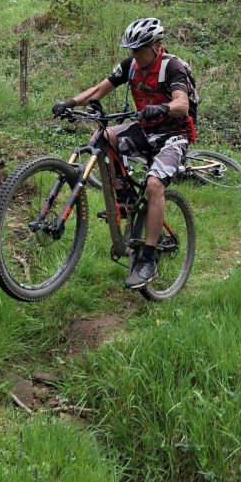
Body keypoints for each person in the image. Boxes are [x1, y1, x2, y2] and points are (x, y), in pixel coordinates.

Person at [52, 17, 194, 289]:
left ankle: (148, 260)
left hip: (173, 135)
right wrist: (71, 102)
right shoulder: (130, 66)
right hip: (144, 128)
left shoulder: (172, 67)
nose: (135, 55)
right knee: (103, 137)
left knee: (154, 185)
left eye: (140, 50)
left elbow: (182, 104)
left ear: (157, 46)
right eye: (132, 50)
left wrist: (163, 108)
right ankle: (124, 197)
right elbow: (99, 90)